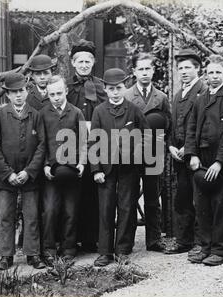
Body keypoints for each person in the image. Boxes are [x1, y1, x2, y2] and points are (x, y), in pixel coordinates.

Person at [184, 54, 223, 266]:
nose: (214, 76)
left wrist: (219, 162)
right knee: (201, 206)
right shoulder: (201, 99)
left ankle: (220, 251)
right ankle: (205, 247)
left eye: (218, 72)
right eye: (211, 73)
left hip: (221, 162)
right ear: (205, 75)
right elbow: (191, 128)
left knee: (219, 207)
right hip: (201, 159)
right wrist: (192, 155)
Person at [90, 68, 150, 267]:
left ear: (125, 88)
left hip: (129, 168)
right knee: (105, 208)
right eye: (111, 89)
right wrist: (96, 169)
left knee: (127, 207)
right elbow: (93, 142)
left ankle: (123, 250)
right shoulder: (99, 111)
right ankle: (105, 252)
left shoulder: (133, 110)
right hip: (106, 169)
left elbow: (147, 135)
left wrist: (138, 155)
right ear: (105, 90)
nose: (115, 92)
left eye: (119, 88)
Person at [0, 73, 46, 270]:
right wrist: (8, 173)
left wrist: (29, 171)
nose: (18, 95)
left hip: (29, 176)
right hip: (6, 178)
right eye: (14, 92)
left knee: (31, 215)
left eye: (21, 91)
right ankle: (6, 255)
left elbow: (41, 146)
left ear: (27, 91)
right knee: (6, 215)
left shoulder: (35, 115)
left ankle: (32, 254)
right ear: (8, 95)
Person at [124, 52, 173, 254]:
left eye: (148, 69)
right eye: (140, 69)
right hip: (132, 154)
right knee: (129, 196)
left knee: (153, 196)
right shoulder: (126, 96)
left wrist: (162, 147)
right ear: (134, 71)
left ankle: (153, 240)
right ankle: (126, 242)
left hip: (154, 153)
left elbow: (168, 125)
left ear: (153, 70)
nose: (144, 73)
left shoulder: (161, 98)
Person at [40, 75, 86, 265]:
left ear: (66, 91)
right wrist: (44, 164)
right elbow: (41, 143)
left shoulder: (76, 113)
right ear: (47, 95)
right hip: (51, 172)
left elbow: (85, 141)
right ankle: (49, 249)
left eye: (59, 93)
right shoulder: (42, 114)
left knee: (70, 210)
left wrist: (82, 162)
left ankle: (69, 248)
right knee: (50, 210)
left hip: (72, 171)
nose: (56, 97)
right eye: (52, 94)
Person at [67, 39, 107, 252]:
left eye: (87, 61)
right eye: (80, 61)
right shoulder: (66, 87)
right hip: (71, 144)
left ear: (93, 63)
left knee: (94, 191)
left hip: (96, 143)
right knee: (74, 191)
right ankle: (72, 239)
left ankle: (91, 239)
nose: (84, 65)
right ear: (73, 63)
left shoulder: (101, 86)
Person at [169, 49, 207, 255]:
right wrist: (171, 147)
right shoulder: (177, 95)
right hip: (179, 156)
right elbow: (173, 126)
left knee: (199, 197)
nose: (183, 72)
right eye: (180, 68)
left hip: (197, 155)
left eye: (187, 68)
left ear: (197, 69)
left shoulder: (203, 91)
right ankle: (184, 241)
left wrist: (189, 148)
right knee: (182, 196)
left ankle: (202, 242)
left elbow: (204, 126)